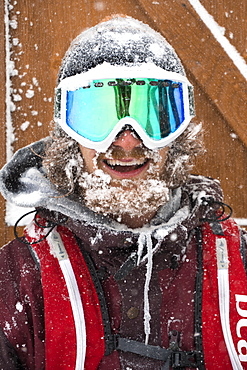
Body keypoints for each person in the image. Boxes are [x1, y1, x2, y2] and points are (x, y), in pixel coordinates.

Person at [0, 15, 246, 370]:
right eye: (98, 115)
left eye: (154, 116)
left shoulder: (238, 267)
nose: (127, 140)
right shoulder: (17, 283)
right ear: (70, 135)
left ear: (179, 133)